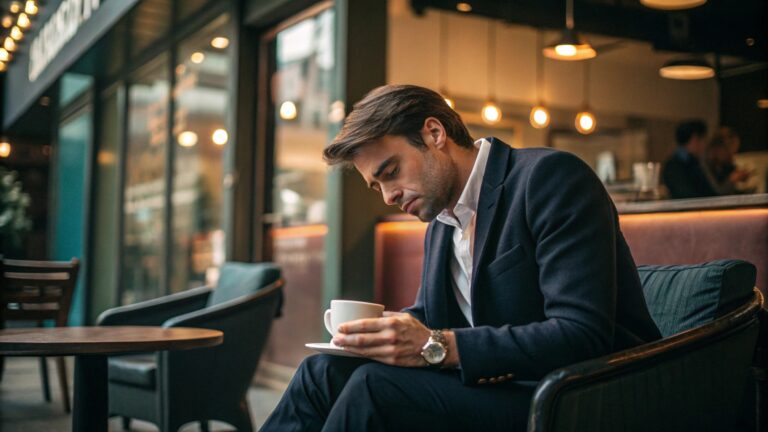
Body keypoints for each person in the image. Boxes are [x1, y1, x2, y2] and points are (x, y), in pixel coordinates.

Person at [260, 85, 661, 432]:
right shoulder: (442, 219)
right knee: (321, 373)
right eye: (376, 185)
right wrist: (380, 336)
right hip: (501, 385)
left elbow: (581, 334)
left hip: (580, 395)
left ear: (434, 133)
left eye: (391, 171)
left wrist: (436, 345)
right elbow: (437, 314)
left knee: (374, 389)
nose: (388, 196)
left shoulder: (548, 179)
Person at [661, 120, 718, 199]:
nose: (705, 145)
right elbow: (686, 195)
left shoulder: (692, 162)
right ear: (695, 139)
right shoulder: (675, 165)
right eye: (704, 140)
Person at [706, 127, 754, 195]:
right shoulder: (704, 167)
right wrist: (732, 179)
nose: (731, 157)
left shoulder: (725, 165)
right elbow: (716, 193)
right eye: (729, 152)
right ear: (719, 148)